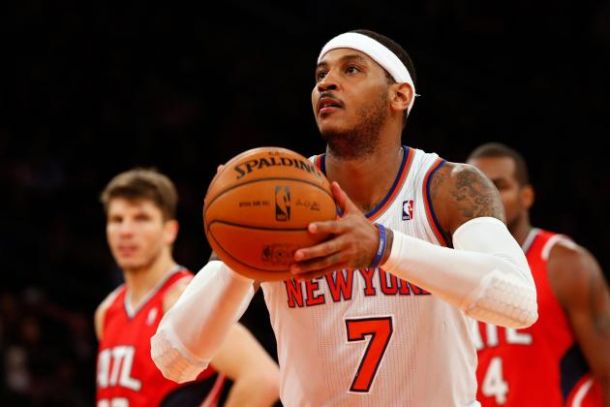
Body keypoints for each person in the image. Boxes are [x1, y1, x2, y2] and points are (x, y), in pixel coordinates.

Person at [151, 30, 539, 406]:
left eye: (351, 70)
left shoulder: (447, 187)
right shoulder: (275, 196)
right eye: (321, 74)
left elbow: (519, 303)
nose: (328, 83)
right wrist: (238, 256)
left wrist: (384, 247)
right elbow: (174, 360)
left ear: (399, 95)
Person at [95, 168, 279, 407]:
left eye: (141, 218)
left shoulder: (182, 297)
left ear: (169, 231)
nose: (126, 231)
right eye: (117, 220)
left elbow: (264, 379)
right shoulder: (107, 311)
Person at [467, 143, 610, 406]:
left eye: (499, 186)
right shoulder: (453, 268)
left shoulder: (566, 264)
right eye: (474, 187)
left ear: (527, 196)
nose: (486, 195)